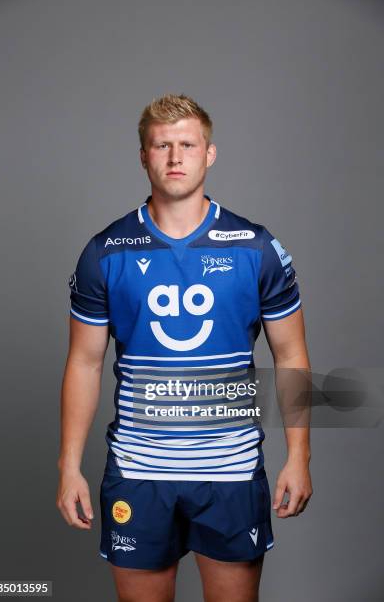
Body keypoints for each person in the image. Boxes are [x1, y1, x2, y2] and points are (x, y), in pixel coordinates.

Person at [56, 93, 313, 602]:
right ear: (144, 156)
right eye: (162, 146)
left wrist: (300, 457)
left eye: (188, 145)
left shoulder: (255, 246)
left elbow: (292, 357)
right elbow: (84, 363)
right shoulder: (106, 251)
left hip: (232, 472)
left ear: (209, 154)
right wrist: (67, 467)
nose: (175, 158)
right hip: (138, 472)